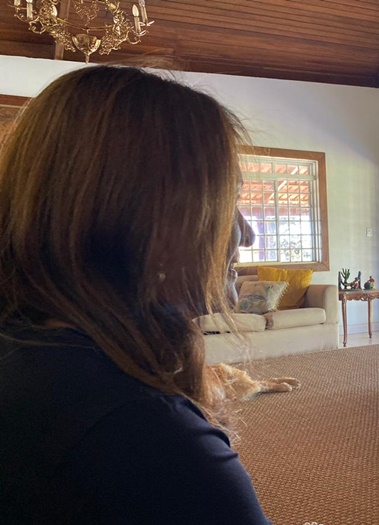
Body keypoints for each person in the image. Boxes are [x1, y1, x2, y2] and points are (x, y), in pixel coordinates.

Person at [0, 66, 270, 523]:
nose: (247, 233)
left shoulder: (26, 349)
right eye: (228, 201)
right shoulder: (146, 433)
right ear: (149, 219)